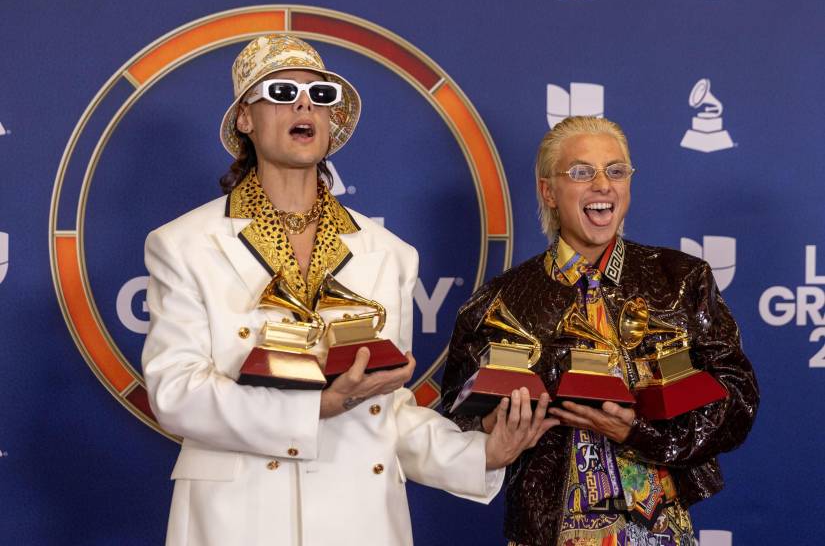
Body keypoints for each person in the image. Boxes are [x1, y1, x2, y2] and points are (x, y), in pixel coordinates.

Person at [141, 34, 554, 546]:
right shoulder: (183, 244)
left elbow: (387, 411)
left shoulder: (390, 253)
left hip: (360, 520)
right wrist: (315, 408)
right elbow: (176, 393)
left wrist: (483, 454)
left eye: (320, 95)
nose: (303, 104)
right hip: (235, 519)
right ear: (244, 119)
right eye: (281, 91)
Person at [441, 116, 759, 546]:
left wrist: (636, 432)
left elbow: (737, 400)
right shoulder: (499, 301)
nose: (602, 184)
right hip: (545, 532)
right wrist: (489, 429)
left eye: (615, 170)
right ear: (547, 191)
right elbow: (451, 423)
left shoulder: (681, 280)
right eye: (581, 172)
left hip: (659, 531)